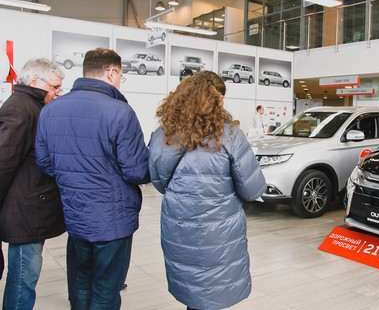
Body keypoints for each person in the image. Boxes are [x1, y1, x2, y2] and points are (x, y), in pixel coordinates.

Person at [35, 48, 150, 309]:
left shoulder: (51, 110)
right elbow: (136, 171)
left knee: (81, 284)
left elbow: (43, 162)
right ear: (111, 72)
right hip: (113, 220)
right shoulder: (121, 112)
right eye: (121, 75)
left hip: (75, 215)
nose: (120, 81)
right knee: (106, 290)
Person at [149, 71, 266, 310]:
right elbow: (253, 189)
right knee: (213, 290)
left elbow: (159, 182)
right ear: (217, 101)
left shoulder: (163, 134)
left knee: (194, 290)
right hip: (219, 231)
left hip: (179, 226)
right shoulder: (231, 135)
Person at [0, 58, 67, 310]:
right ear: (36, 82)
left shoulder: (30, 105)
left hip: (27, 207)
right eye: (55, 87)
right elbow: (3, 162)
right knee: (23, 279)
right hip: (25, 211)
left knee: (25, 275)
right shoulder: (21, 109)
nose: (58, 93)